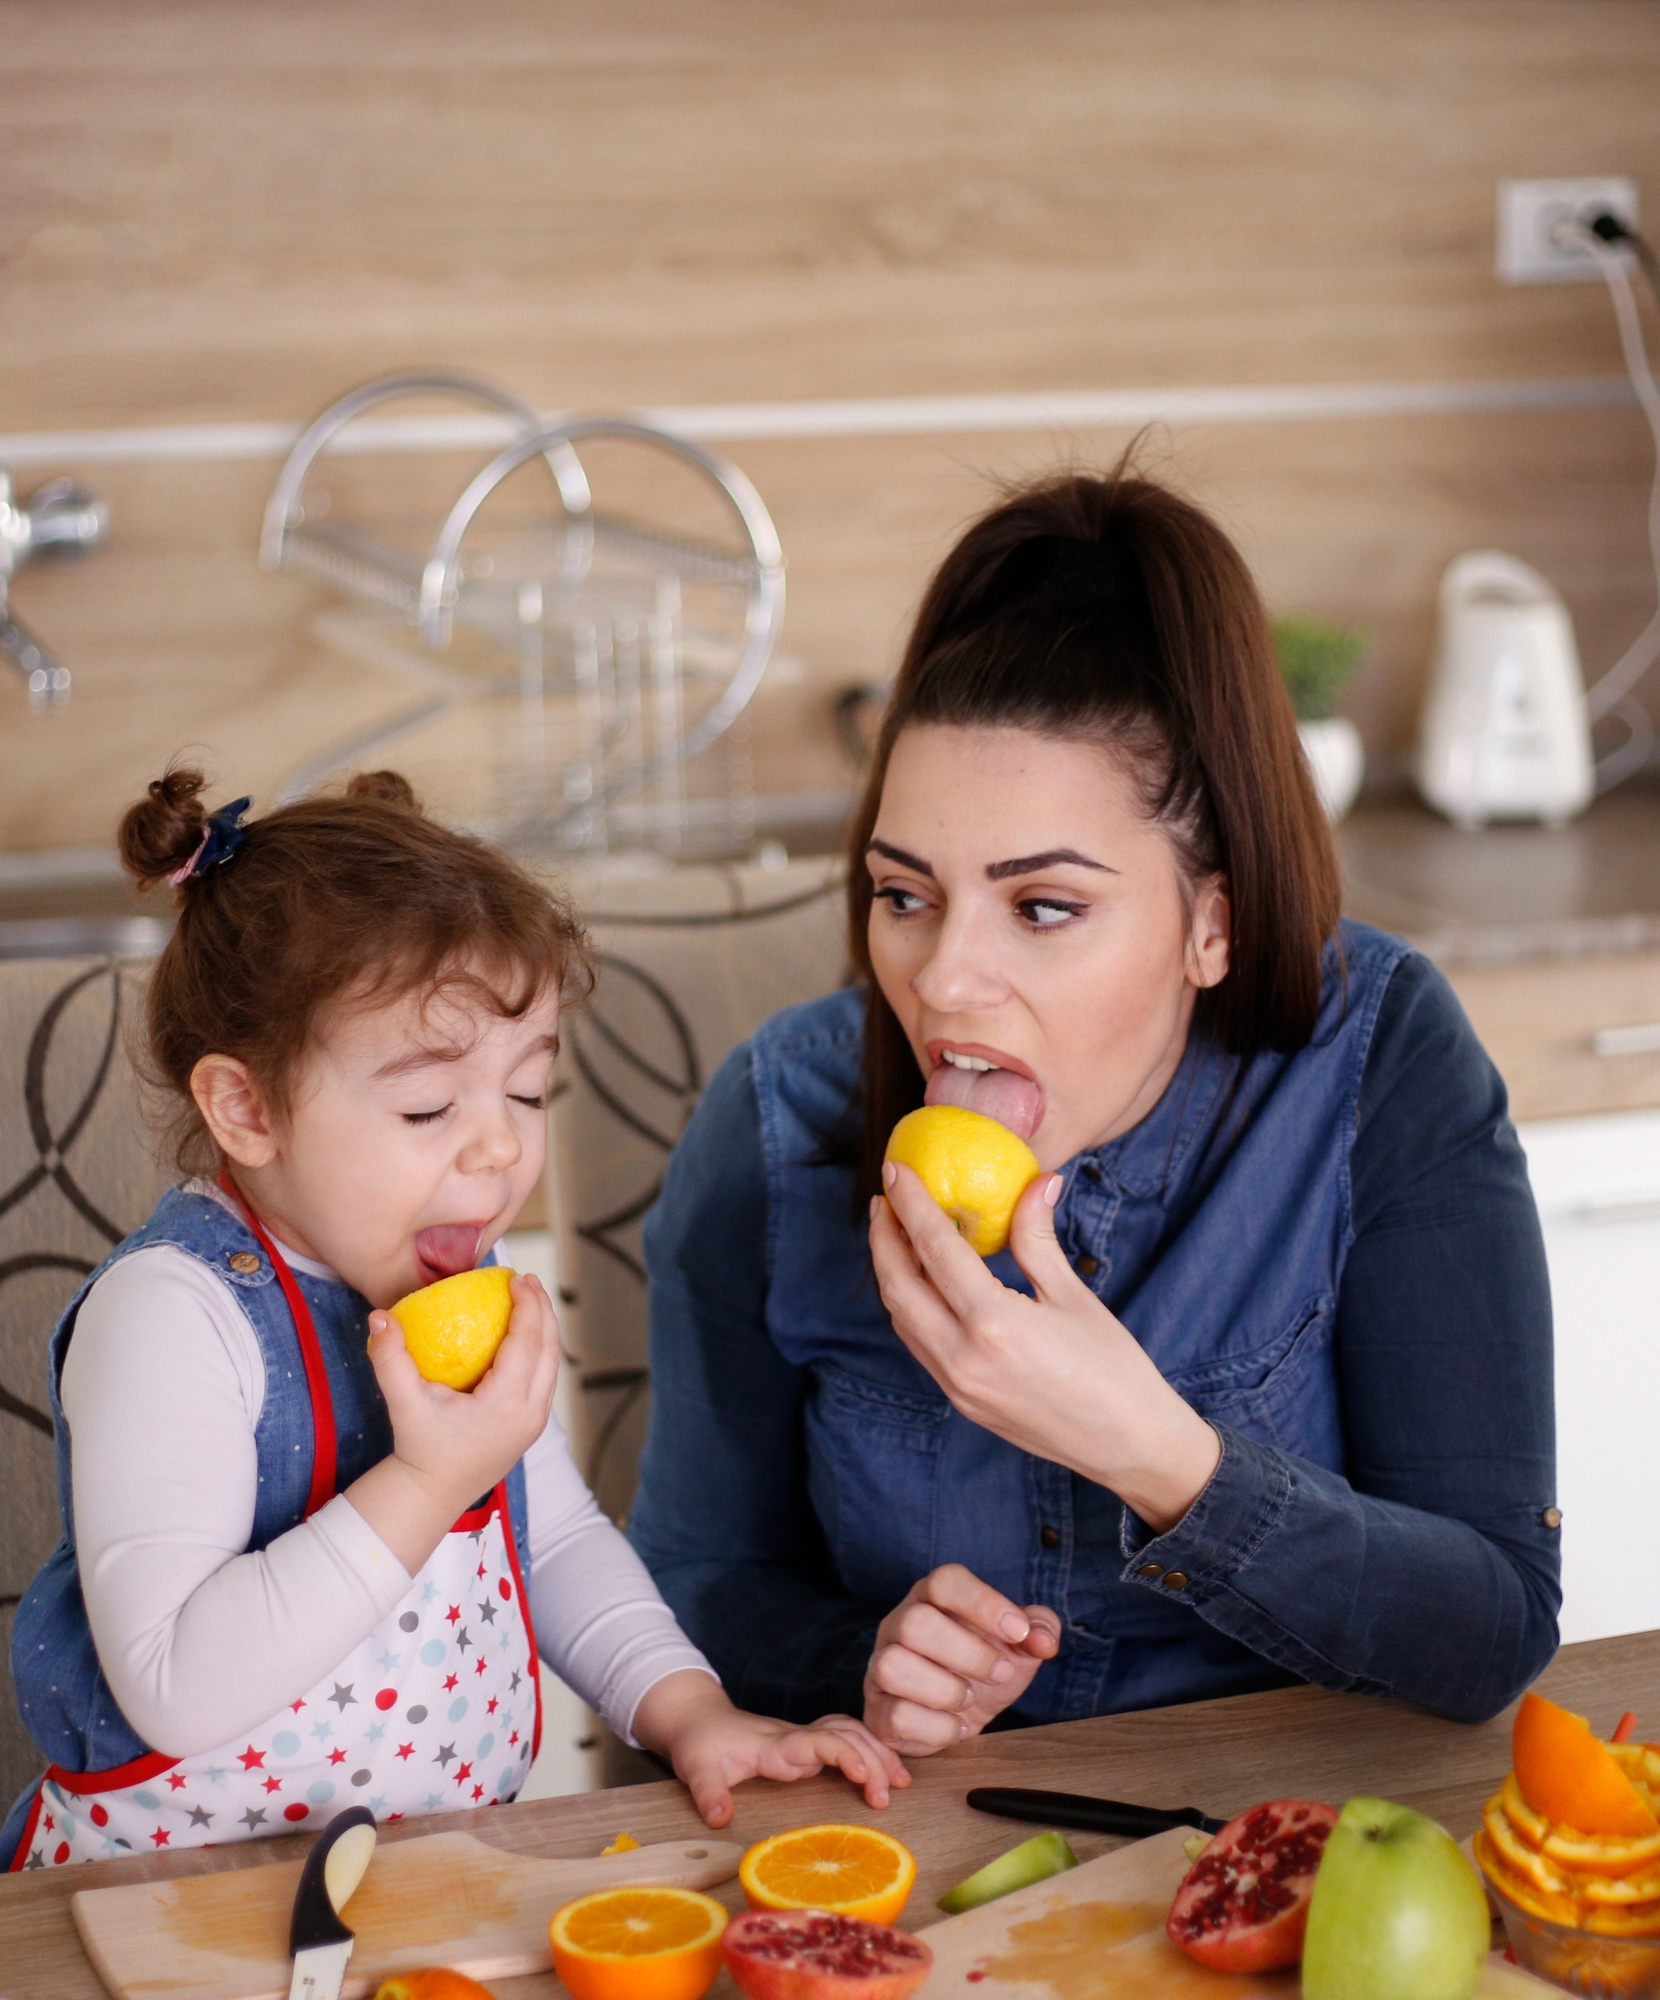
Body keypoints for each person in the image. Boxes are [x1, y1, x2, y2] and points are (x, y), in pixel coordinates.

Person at [627, 465, 1561, 1755]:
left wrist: (1162, 1455)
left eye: (1044, 906)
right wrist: (864, 1661)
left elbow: (1494, 1625)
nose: (943, 977)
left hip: (1293, 1830)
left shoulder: (1380, 1062)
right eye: (905, 894)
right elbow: (689, 1577)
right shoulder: (777, 1121)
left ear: (1211, 924)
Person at [0, 770, 901, 1871]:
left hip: (422, 1890)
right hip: (165, 1911)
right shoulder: (172, 1315)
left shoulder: (461, 1272)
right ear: (247, 1106)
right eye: (429, 1106)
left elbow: (554, 1536)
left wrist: (689, 1710)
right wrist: (426, 1481)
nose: (501, 1149)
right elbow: (175, 1681)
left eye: (525, 1091)